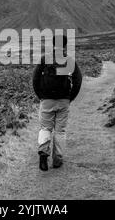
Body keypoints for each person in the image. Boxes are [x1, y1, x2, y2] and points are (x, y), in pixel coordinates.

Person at [32, 35, 82, 171]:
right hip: (64, 100)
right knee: (60, 131)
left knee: (45, 128)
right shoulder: (69, 60)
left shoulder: (44, 59)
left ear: (53, 44)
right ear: (65, 45)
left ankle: (43, 154)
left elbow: (35, 79)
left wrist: (41, 96)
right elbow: (78, 80)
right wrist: (70, 97)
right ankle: (57, 160)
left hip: (47, 99)